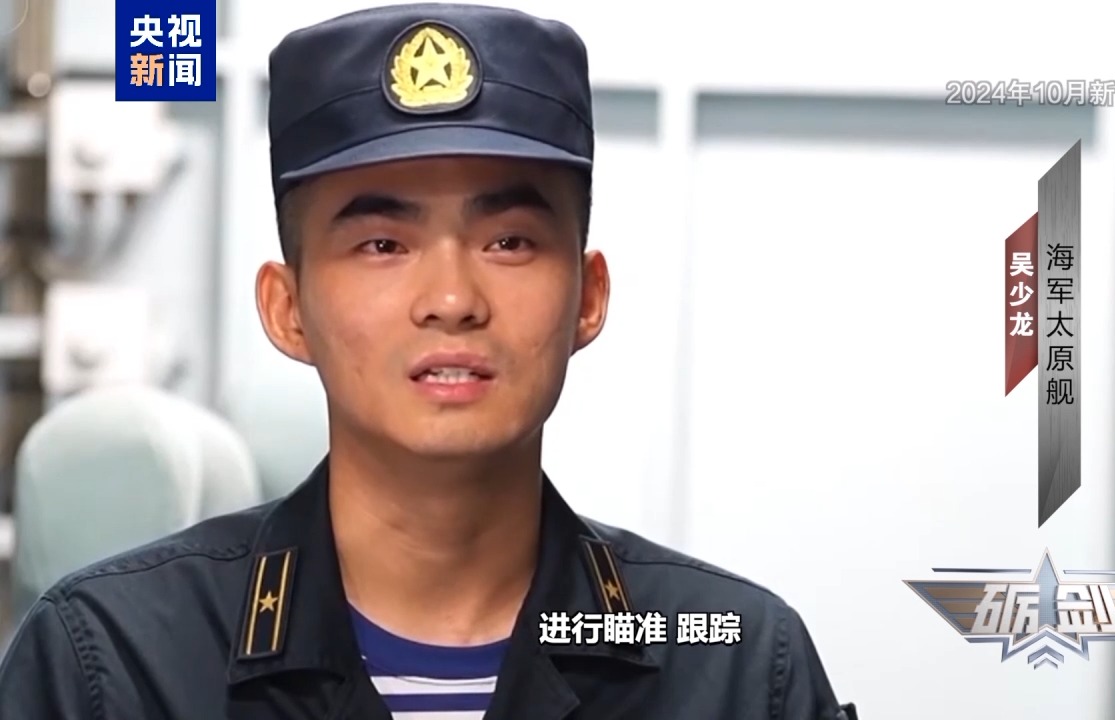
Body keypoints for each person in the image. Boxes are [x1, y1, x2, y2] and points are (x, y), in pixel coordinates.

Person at [0, 4, 855, 718]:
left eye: (510, 240)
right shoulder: (113, 663)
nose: (451, 297)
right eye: (382, 243)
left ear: (589, 297)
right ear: (287, 309)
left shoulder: (737, 671)